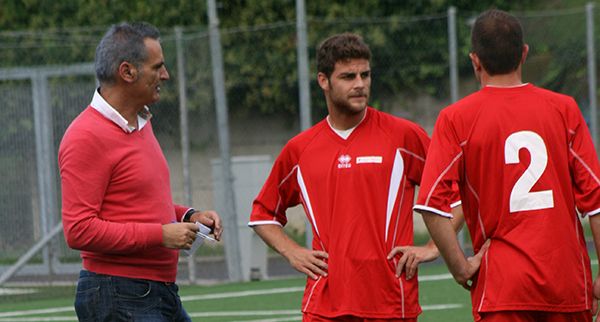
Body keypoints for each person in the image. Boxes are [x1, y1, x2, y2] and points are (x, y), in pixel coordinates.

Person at [249, 32, 461, 321]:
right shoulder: (300, 149)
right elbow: (263, 214)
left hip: (390, 302)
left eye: (365, 75)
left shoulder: (403, 136)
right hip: (323, 305)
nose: (360, 84)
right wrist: (292, 252)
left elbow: (459, 193)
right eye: (348, 77)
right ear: (323, 81)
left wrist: (434, 247)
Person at [414, 9, 600, 322]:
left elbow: (432, 205)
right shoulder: (564, 110)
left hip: (503, 289)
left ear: (475, 60)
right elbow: (596, 202)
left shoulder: (456, 119)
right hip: (567, 284)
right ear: (524, 54)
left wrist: (460, 267)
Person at [58, 22, 222, 322]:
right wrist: (160, 234)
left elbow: (135, 203)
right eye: (157, 67)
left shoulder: (141, 123)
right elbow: (79, 229)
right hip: (118, 294)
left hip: (156, 292)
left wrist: (187, 217)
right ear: (127, 72)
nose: (165, 75)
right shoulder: (85, 135)